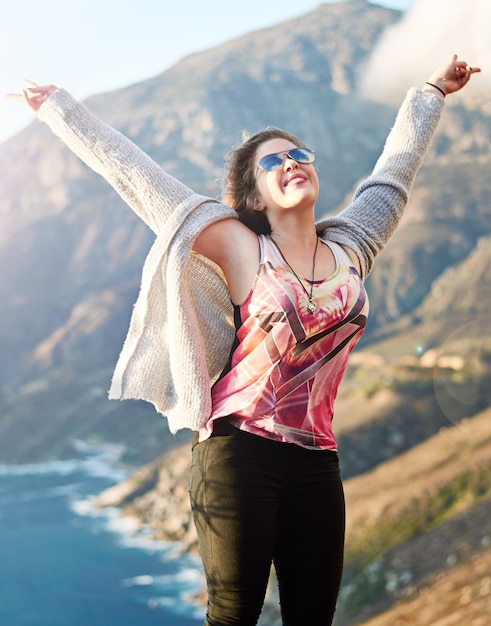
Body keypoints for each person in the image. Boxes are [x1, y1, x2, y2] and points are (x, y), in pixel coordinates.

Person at [8, 54, 479, 625]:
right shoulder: (239, 245)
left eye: (299, 154)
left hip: (317, 460)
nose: (292, 162)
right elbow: (139, 179)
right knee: (235, 615)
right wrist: (61, 110)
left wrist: (431, 91)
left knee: (314, 616)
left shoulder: (353, 246)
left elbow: (393, 175)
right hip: (238, 451)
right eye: (274, 161)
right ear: (254, 196)